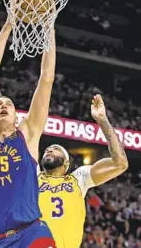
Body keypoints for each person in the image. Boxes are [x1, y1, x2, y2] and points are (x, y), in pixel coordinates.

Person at [0, 18, 57, 247]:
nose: (4, 105)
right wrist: (7, 25)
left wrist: (49, 29)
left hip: (32, 232)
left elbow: (46, 80)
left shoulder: (28, 136)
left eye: (9, 104)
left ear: (18, 118)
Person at [38, 94, 129, 248]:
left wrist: (102, 120)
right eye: (47, 149)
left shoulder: (78, 178)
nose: (49, 150)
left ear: (66, 163)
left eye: (56, 149)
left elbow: (120, 163)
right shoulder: (32, 176)